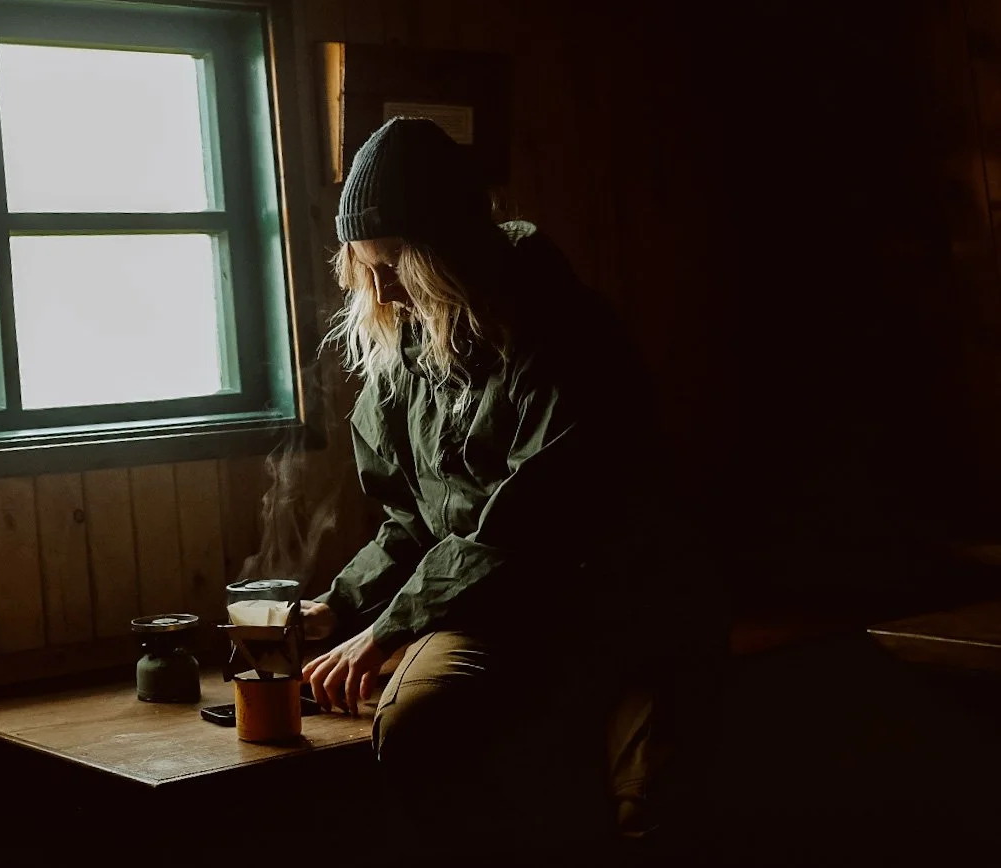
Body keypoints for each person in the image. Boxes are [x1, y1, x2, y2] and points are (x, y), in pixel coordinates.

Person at [299, 116, 724, 854]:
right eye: (366, 266)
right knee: (412, 727)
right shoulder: (407, 354)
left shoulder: (562, 333)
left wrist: (389, 630)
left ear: (446, 248)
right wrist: (336, 606)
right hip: (498, 607)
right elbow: (410, 519)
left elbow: (531, 521)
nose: (381, 288)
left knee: (648, 810)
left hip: (623, 600)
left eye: (394, 260)